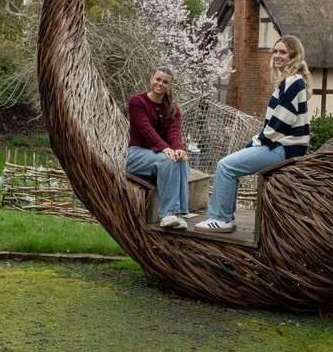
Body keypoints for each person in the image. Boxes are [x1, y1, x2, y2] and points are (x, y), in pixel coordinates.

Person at [195, 36, 310, 234]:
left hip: (284, 148)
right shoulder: (290, 81)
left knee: (226, 166)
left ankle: (221, 219)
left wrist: (255, 142)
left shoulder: (292, 82)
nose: (277, 56)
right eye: (275, 51)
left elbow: (279, 125)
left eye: (283, 52)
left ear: (294, 55)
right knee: (230, 166)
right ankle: (226, 217)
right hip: (284, 146)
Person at [126, 66, 193, 231]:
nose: (160, 84)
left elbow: (174, 133)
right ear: (151, 79)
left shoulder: (173, 109)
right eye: (158, 79)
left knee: (180, 160)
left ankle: (180, 212)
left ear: (170, 86)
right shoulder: (137, 101)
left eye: (165, 82)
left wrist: (178, 149)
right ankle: (168, 214)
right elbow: (145, 129)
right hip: (137, 155)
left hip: (159, 155)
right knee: (168, 161)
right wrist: (164, 148)